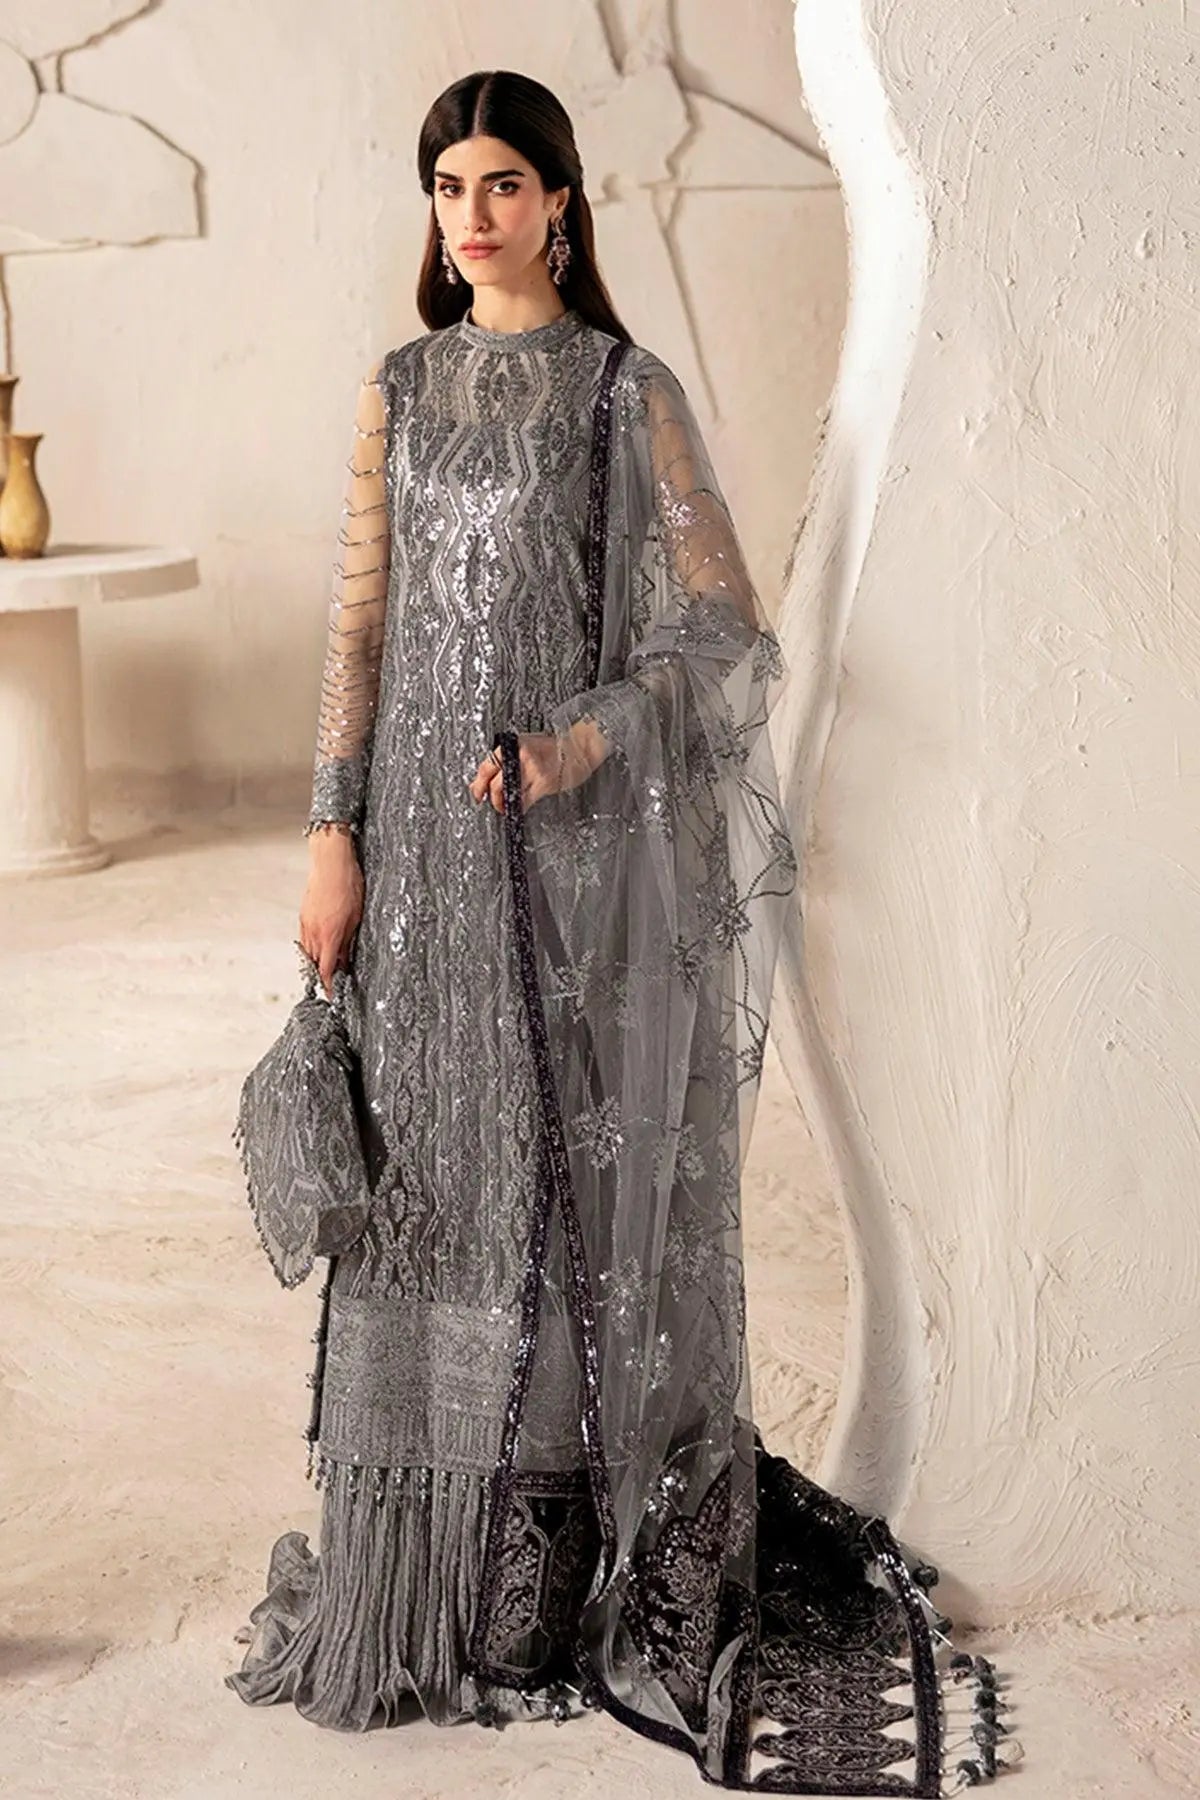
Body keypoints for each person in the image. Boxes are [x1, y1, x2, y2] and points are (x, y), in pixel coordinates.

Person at [226, 67, 1014, 1795]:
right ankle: (418, 1566)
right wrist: (331, 834)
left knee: (555, 1199)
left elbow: (723, 632)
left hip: (573, 881)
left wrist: (582, 741)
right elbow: (357, 634)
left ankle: (562, 1547)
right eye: (449, 187)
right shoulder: (398, 392)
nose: (473, 215)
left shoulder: (621, 396)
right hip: (416, 873)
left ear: (565, 202)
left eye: (504, 184)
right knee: (424, 1190)